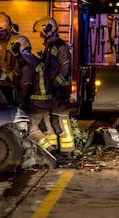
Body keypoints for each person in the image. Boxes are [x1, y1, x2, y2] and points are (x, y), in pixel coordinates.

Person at [33, 17, 75, 159]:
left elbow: (65, 67)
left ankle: (68, 151)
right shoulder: (50, 46)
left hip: (60, 90)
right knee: (52, 120)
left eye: (41, 32)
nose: (40, 35)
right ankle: (55, 150)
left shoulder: (60, 46)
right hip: (54, 90)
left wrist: (56, 84)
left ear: (48, 30)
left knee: (61, 119)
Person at [6, 34, 56, 152]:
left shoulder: (27, 65)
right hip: (47, 100)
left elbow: (25, 86)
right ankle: (55, 149)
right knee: (47, 126)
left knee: (29, 127)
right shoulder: (35, 60)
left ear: (16, 48)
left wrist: (18, 101)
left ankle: (48, 150)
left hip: (37, 102)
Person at [0, 12, 19, 82]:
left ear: (8, 29)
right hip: (0, 76)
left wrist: (11, 76)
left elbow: (20, 64)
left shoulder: (16, 41)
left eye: (1, 32)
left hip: (14, 78)